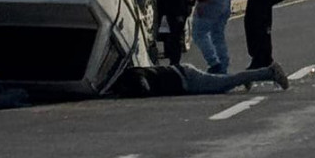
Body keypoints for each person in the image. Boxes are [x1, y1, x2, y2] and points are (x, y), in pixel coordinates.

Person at [112, 61, 289, 98]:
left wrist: (125, 93)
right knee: (226, 82)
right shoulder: (131, 72)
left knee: (224, 84)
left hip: (187, 80)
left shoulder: (133, 76)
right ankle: (247, 77)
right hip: (184, 75)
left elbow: (144, 89)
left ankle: (269, 71)